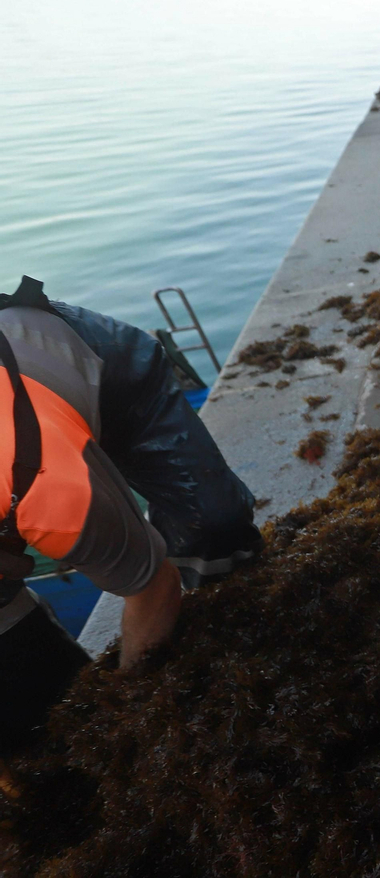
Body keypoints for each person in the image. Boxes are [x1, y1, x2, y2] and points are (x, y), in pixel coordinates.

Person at [0, 277, 261, 753]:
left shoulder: (49, 492)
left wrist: (128, 700)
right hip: (27, 409)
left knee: (213, 520)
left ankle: (234, 614)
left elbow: (152, 585)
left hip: (99, 369)